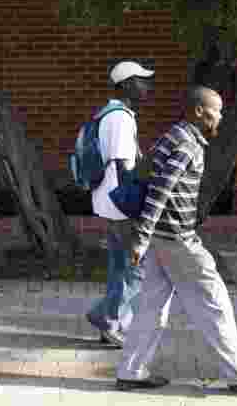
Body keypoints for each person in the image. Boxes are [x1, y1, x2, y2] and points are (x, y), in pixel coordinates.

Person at [115, 86, 237, 395]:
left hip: (160, 242)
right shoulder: (188, 145)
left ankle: (131, 371)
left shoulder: (171, 136)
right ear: (199, 112)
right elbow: (160, 191)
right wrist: (140, 238)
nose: (221, 116)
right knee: (214, 302)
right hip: (178, 240)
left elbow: (147, 177)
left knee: (151, 307)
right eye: (217, 110)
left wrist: (144, 237)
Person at [85, 60, 154, 347]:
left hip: (108, 202)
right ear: (126, 85)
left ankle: (107, 321)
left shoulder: (108, 114)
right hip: (121, 204)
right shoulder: (120, 118)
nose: (146, 86)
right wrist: (139, 203)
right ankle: (109, 318)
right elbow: (126, 166)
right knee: (138, 266)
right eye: (141, 80)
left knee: (119, 266)